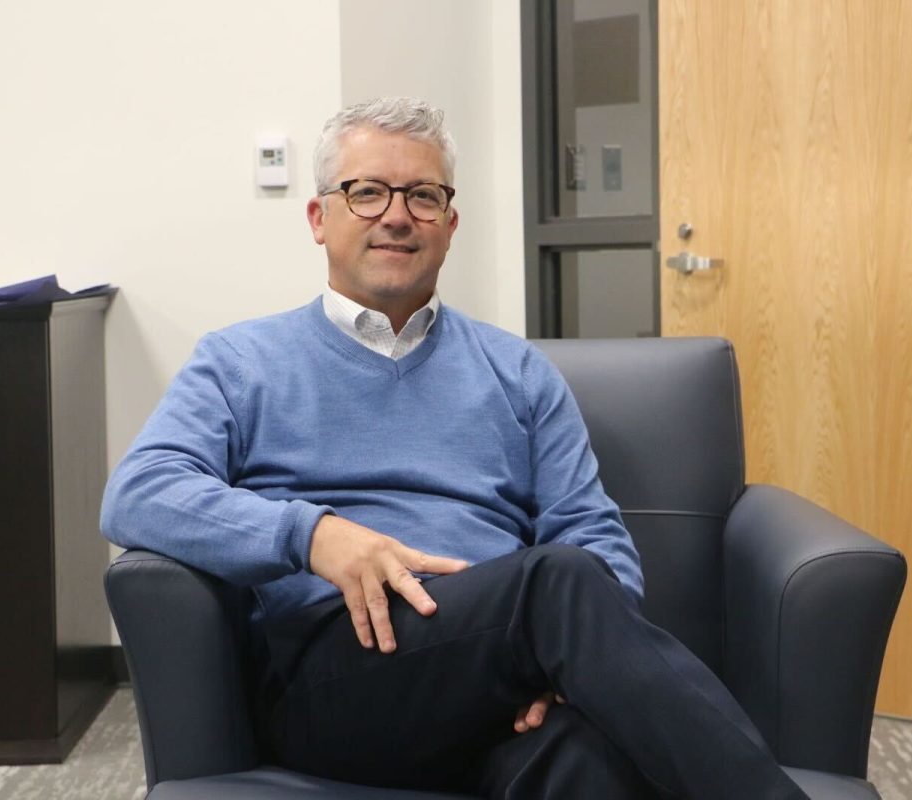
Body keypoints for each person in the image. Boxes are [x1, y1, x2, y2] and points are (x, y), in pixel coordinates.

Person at [101, 97, 808, 799]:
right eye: (368, 192)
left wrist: (575, 670)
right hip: (341, 679)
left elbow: (592, 530)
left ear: (450, 223)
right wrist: (312, 535)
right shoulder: (239, 361)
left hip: (502, 677)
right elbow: (138, 492)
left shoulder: (519, 371)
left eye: (423, 196)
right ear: (320, 218)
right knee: (554, 581)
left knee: (588, 760)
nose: (398, 215)